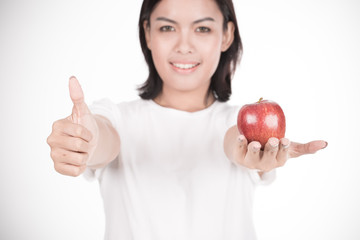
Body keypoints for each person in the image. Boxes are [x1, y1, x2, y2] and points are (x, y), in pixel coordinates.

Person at [47, 0, 327, 239]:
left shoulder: (235, 122)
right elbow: (103, 137)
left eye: (202, 28)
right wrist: (86, 140)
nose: (184, 46)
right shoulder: (118, 118)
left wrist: (253, 148)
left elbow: (234, 140)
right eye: (167, 27)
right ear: (147, 32)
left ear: (227, 34)